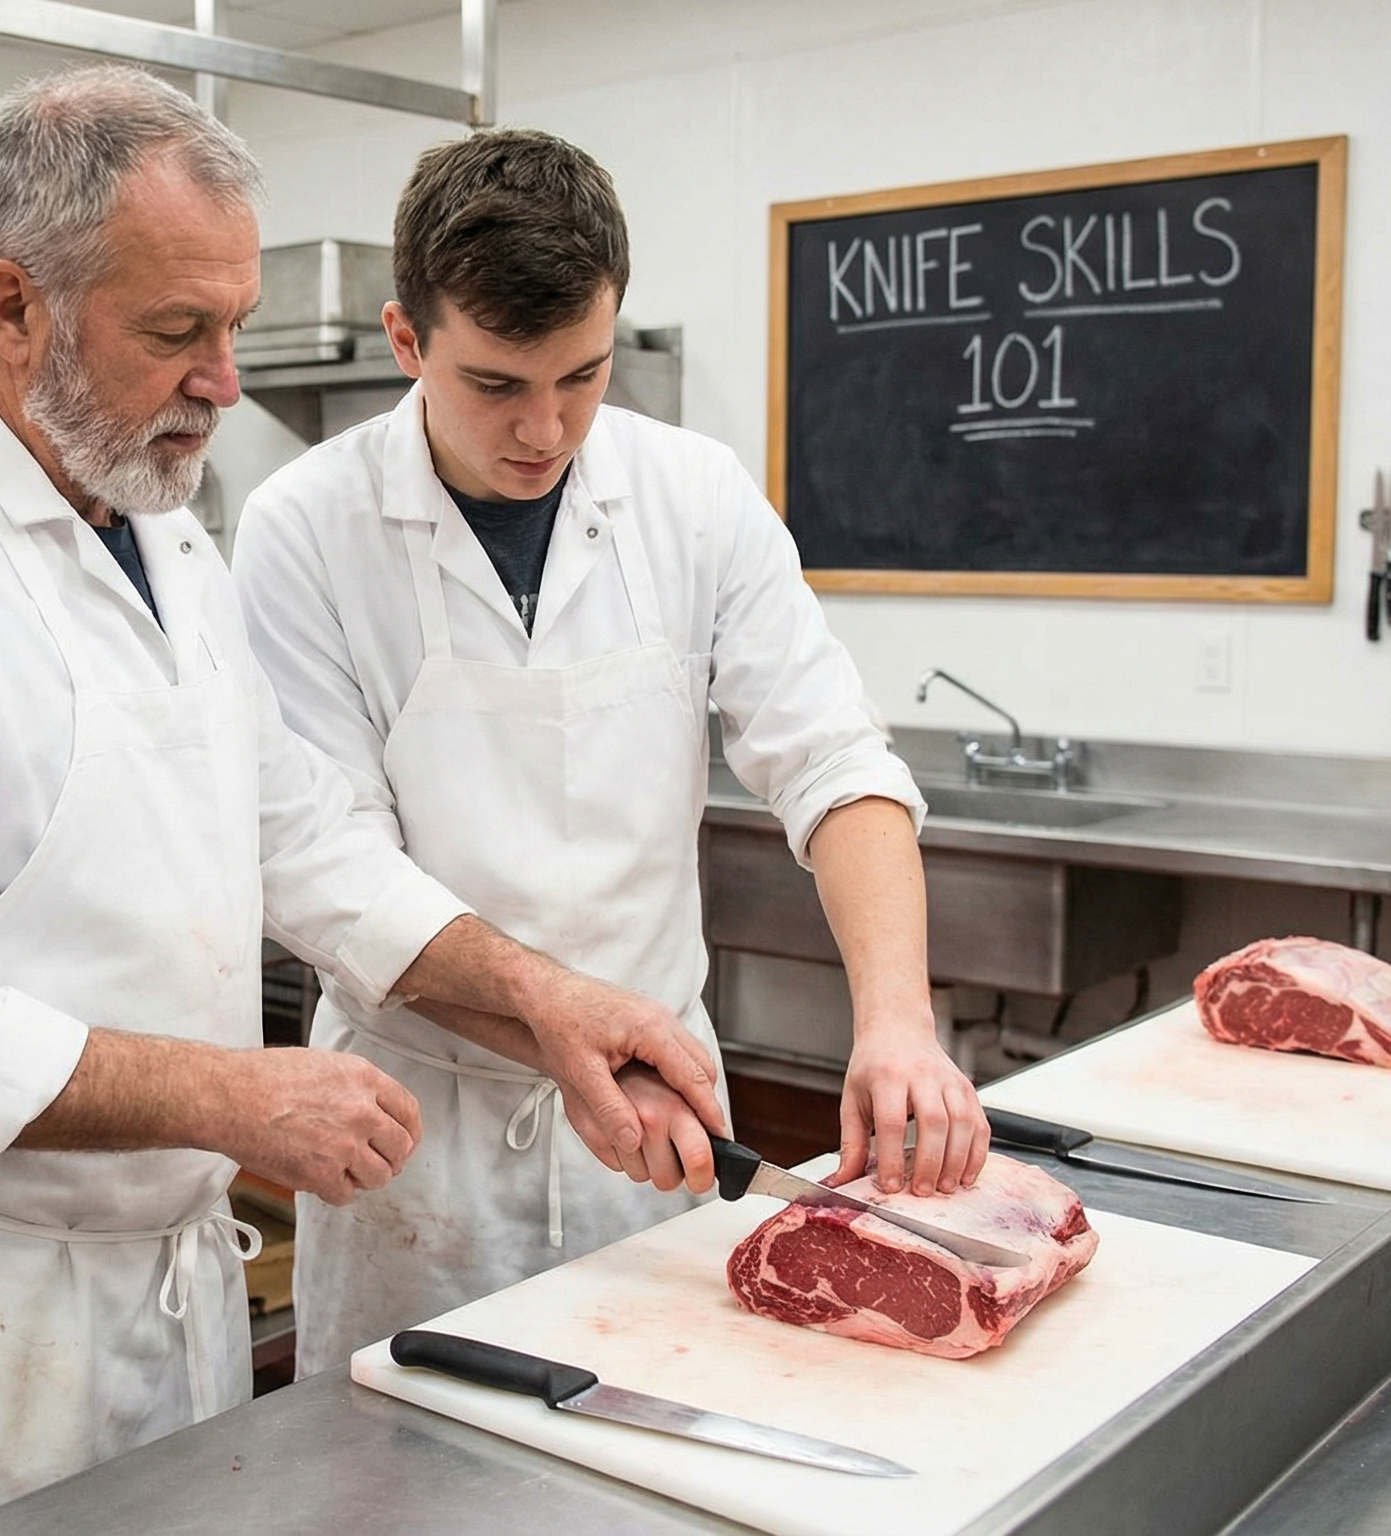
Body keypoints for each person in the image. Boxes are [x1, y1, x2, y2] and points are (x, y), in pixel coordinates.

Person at [0, 73, 724, 1536]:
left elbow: (299, 836)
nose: (225, 382)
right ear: (11, 308)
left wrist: (541, 1002)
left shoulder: (164, 544)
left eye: (234, 329)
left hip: (165, 1290)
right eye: (177, 333)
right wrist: (234, 1097)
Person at [231, 129, 993, 1376]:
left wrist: (897, 1020)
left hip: (659, 1135)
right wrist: (551, 1018)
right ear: (406, 341)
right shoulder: (304, 529)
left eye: (581, 376)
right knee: (402, 1492)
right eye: (494, 386)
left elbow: (831, 758)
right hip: (422, 1151)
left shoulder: (690, 493)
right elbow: (325, 865)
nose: (545, 430)